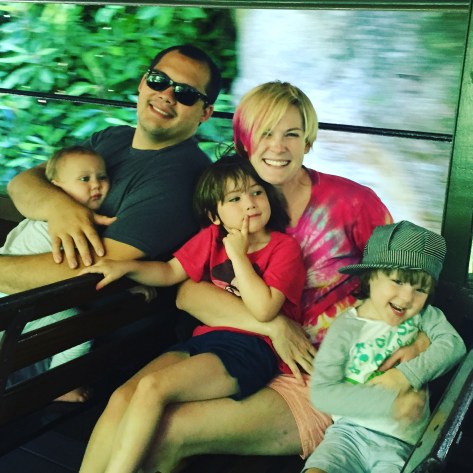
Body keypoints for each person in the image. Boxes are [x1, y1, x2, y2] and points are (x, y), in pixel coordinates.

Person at [96, 80, 403, 473]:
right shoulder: (233, 205)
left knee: (166, 429)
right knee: (127, 401)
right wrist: (276, 326)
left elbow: (405, 282)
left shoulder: (354, 203)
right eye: (265, 133)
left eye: (292, 134)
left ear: (308, 141)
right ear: (243, 141)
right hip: (246, 351)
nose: (278, 147)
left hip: (316, 375)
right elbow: (189, 293)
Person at [78, 155, 306, 473]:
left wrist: (238, 256)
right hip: (205, 340)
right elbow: (170, 272)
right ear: (215, 215)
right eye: (235, 199)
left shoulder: (284, 248)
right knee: (122, 396)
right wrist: (126, 267)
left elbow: (264, 310)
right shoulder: (211, 238)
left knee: (153, 389)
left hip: (253, 349)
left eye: (257, 192)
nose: (250, 203)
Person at [3, 44, 221, 294]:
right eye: (158, 80)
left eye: (186, 94)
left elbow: (90, 269)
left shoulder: (183, 176)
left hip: (54, 308)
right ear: (143, 82)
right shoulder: (112, 137)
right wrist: (60, 208)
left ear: (205, 113)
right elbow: (22, 183)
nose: (167, 95)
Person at [303, 220, 466, 473]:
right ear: (371, 277)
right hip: (347, 435)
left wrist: (405, 375)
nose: (407, 297)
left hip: (400, 443)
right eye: (398, 281)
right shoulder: (346, 327)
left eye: (420, 289)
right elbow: (323, 393)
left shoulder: (424, 316)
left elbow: (454, 345)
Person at [0, 145, 110, 402]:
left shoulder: (41, 218)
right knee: (78, 330)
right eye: (84, 179)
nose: (96, 184)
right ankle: (61, 387)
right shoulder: (65, 228)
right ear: (57, 188)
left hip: (16, 301)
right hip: (11, 306)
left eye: (102, 177)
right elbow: (87, 266)